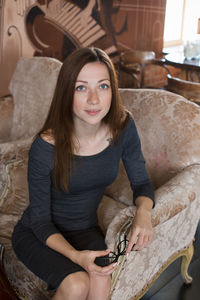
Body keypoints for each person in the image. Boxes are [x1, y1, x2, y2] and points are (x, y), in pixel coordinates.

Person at [12, 47, 154, 300]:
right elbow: (40, 221)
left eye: (102, 86)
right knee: (77, 285)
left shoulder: (124, 126)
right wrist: (77, 257)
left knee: (99, 281)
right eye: (81, 88)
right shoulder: (45, 146)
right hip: (38, 234)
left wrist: (144, 212)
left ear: (113, 90)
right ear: (66, 93)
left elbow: (141, 182)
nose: (93, 99)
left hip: (85, 230)